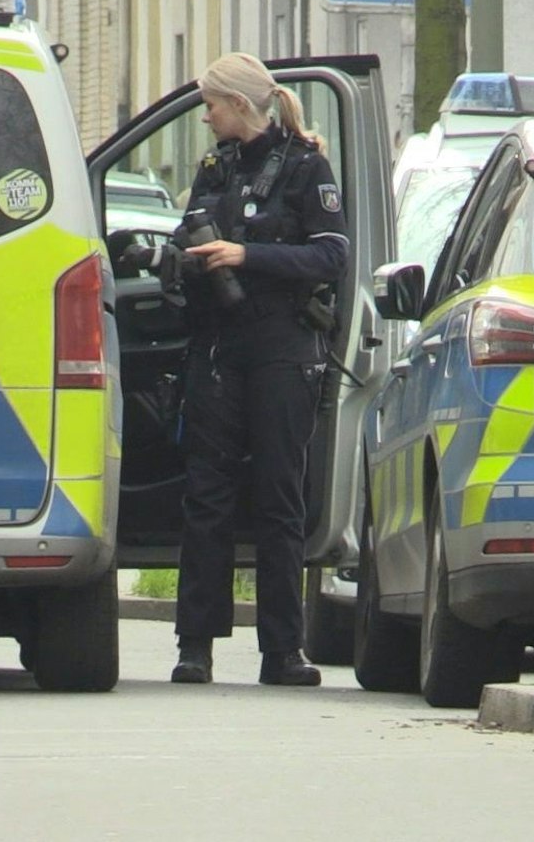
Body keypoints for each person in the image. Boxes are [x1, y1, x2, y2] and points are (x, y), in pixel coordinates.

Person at [126, 53, 348, 687]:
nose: (206, 116)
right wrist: (176, 258)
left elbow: (331, 254)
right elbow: (184, 239)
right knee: (206, 496)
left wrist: (247, 255)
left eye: (212, 105)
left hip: (282, 347)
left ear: (242, 106)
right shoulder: (215, 168)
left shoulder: (307, 166)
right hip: (218, 348)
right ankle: (194, 646)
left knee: (280, 496)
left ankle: (283, 652)